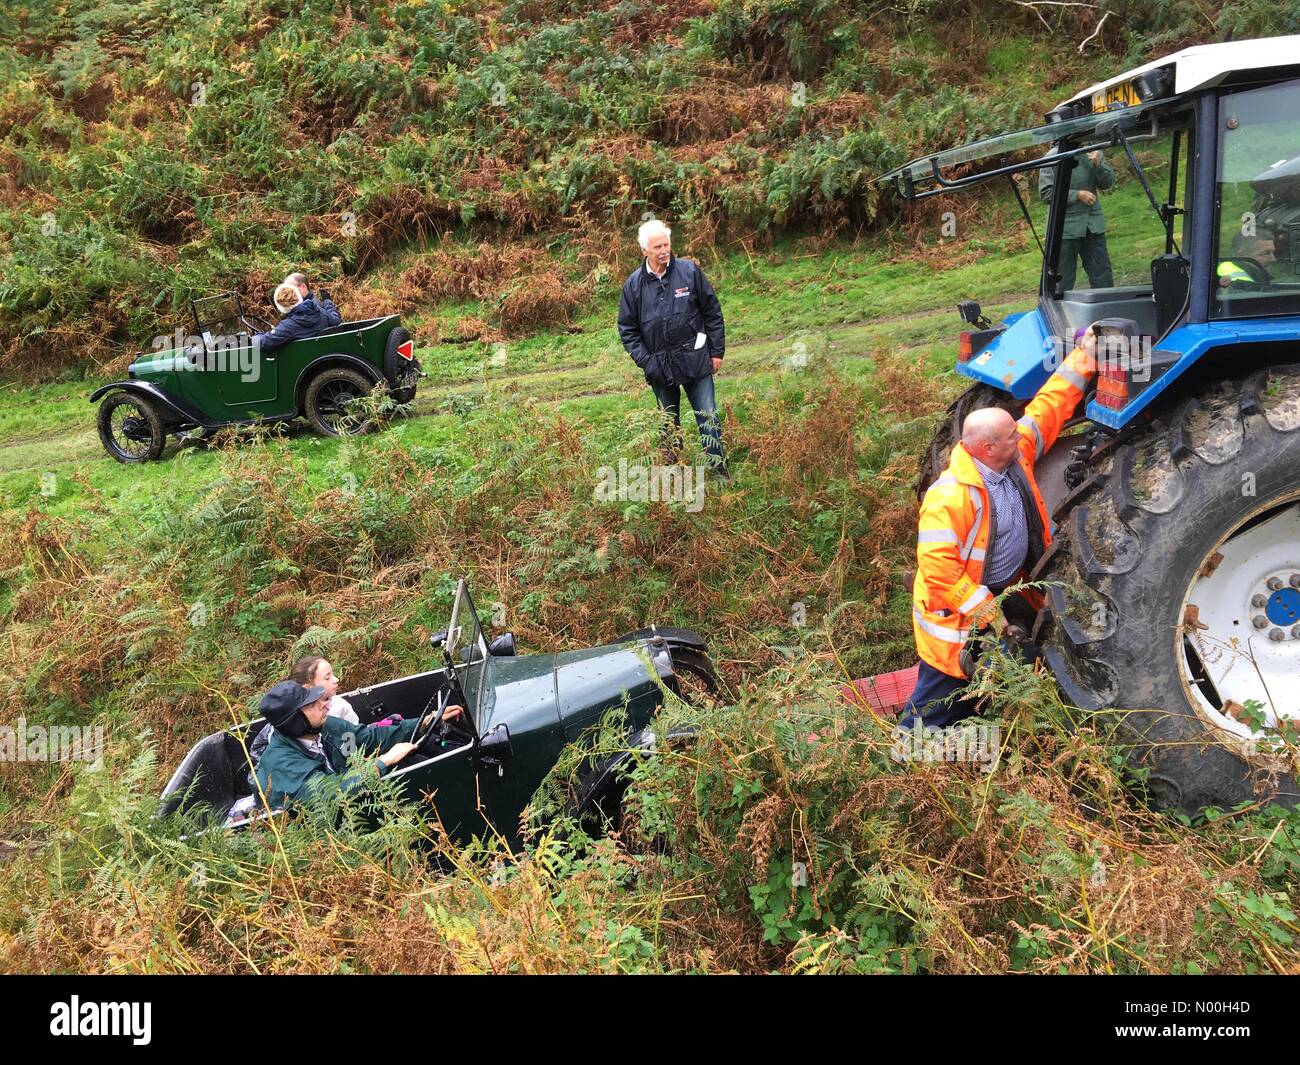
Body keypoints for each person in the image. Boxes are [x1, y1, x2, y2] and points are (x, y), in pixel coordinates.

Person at [900, 329, 1099, 730]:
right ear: (987, 449)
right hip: (957, 616)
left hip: (1006, 591)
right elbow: (939, 572)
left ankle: (984, 737)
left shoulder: (1014, 453)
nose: (1021, 434)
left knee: (998, 678)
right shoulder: (949, 498)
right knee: (944, 695)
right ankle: (915, 760)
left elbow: (1048, 407)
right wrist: (987, 610)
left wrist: (1086, 356)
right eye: (1011, 434)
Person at [617, 219, 728, 476]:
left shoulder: (689, 272)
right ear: (645, 250)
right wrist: (647, 361)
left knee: (708, 418)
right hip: (659, 367)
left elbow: (712, 312)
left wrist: (716, 351)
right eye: (657, 247)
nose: (664, 250)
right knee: (668, 425)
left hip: (696, 359)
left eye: (666, 244)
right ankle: (673, 477)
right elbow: (627, 329)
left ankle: (720, 474)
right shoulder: (633, 286)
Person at [253, 679, 463, 809]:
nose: (323, 704)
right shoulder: (281, 763)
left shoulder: (325, 727)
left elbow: (369, 738)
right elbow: (330, 796)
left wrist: (426, 721)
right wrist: (383, 762)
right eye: (311, 705)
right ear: (295, 721)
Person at [1039, 149, 1115, 291]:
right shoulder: (1053, 156)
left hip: (1092, 224)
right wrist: (1077, 195)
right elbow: (1046, 193)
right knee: (1062, 280)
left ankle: (1107, 310)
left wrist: (1099, 165)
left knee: (1103, 276)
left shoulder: (1093, 152)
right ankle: (1061, 311)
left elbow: (1107, 183)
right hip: (1064, 229)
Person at [251, 279, 342, 354]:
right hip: (323, 354)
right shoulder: (320, 311)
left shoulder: (288, 326)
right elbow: (336, 320)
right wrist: (327, 301)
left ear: (282, 308)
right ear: (299, 297)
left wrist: (257, 335)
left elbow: (262, 343)